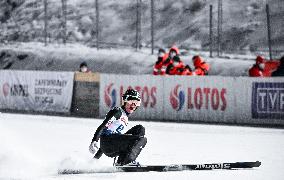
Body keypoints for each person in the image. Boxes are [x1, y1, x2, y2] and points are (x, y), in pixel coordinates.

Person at [89, 89, 147, 166]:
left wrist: (95, 159)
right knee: (140, 140)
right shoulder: (118, 112)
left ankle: (122, 160)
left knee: (140, 129)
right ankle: (126, 162)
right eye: (131, 101)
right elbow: (103, 127)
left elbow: (113, 138)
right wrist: (94, 140)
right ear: (125, 101)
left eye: (136, 103)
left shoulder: (125, 117)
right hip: (108, 143)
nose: (133, 105)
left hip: (111, 144)